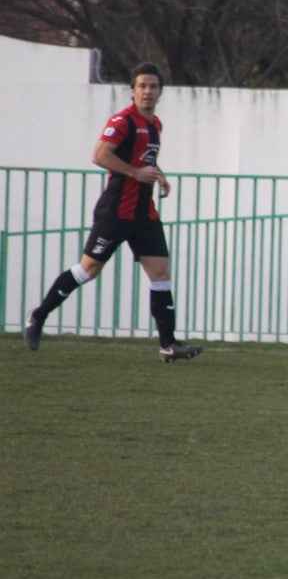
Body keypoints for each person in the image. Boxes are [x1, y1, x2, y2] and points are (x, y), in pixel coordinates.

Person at [23, 63, 203, 363]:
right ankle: (38, 315)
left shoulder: (155, 124)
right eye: (142, 86)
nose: (147, 91)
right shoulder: (123, 121)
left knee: (160, 273)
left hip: (144, 214)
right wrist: (135, 173)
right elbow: (99, 155)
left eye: (153, 86)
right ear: (132, 90)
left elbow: (143, 159)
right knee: (89, 269)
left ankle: (168, 344)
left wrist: (158, 175)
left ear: (160, 91)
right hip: (116, 211)